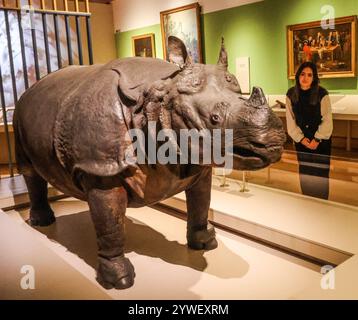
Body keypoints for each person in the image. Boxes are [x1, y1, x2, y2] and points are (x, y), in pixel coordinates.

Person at [286, 61, 333, 199]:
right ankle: (307, 200)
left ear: (314, 77)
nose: (305, 78)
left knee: (320, 173)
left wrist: (317, 139)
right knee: (305, 171)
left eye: (309, 75)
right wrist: (301, 139)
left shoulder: (322, 94)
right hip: (302, 141)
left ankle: (322, 202)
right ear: (298, 76)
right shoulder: (291, 95)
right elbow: (291, 121)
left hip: (321, 142)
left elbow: (327, 120)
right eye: (302, 74)